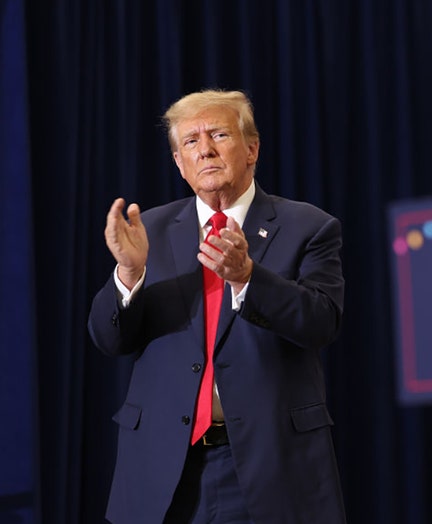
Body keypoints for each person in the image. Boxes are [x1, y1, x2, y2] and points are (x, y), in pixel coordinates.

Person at [88, 89, 346, 524]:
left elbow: (321, 322)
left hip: (269, 468)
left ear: (251, 149)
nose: (204, 148)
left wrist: (249, 278)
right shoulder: (148, 229)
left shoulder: (309, 227)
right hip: (162, 468)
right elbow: (109, 340)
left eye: (219, 134)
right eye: (190, 141)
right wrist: (129, 275)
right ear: (178, 163)